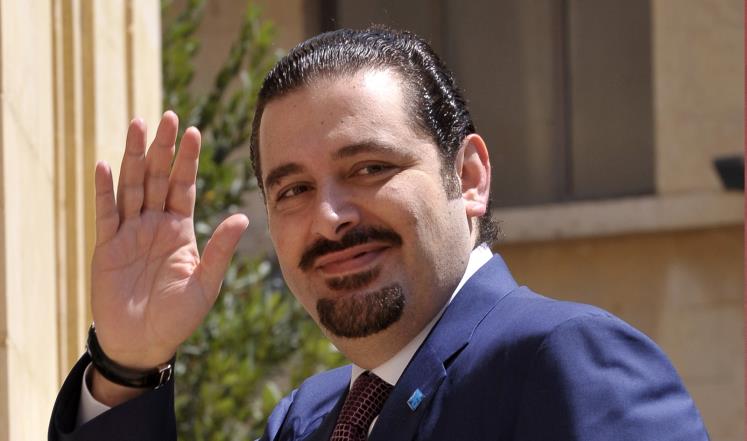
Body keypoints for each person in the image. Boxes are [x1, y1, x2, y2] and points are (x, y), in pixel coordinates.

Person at [49, 26, 710, 441]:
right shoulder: (304, 421)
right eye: (293, 190)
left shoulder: (565, 361)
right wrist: (128, 365)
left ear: (469, 176)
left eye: (369, 168)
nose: (329, 218)